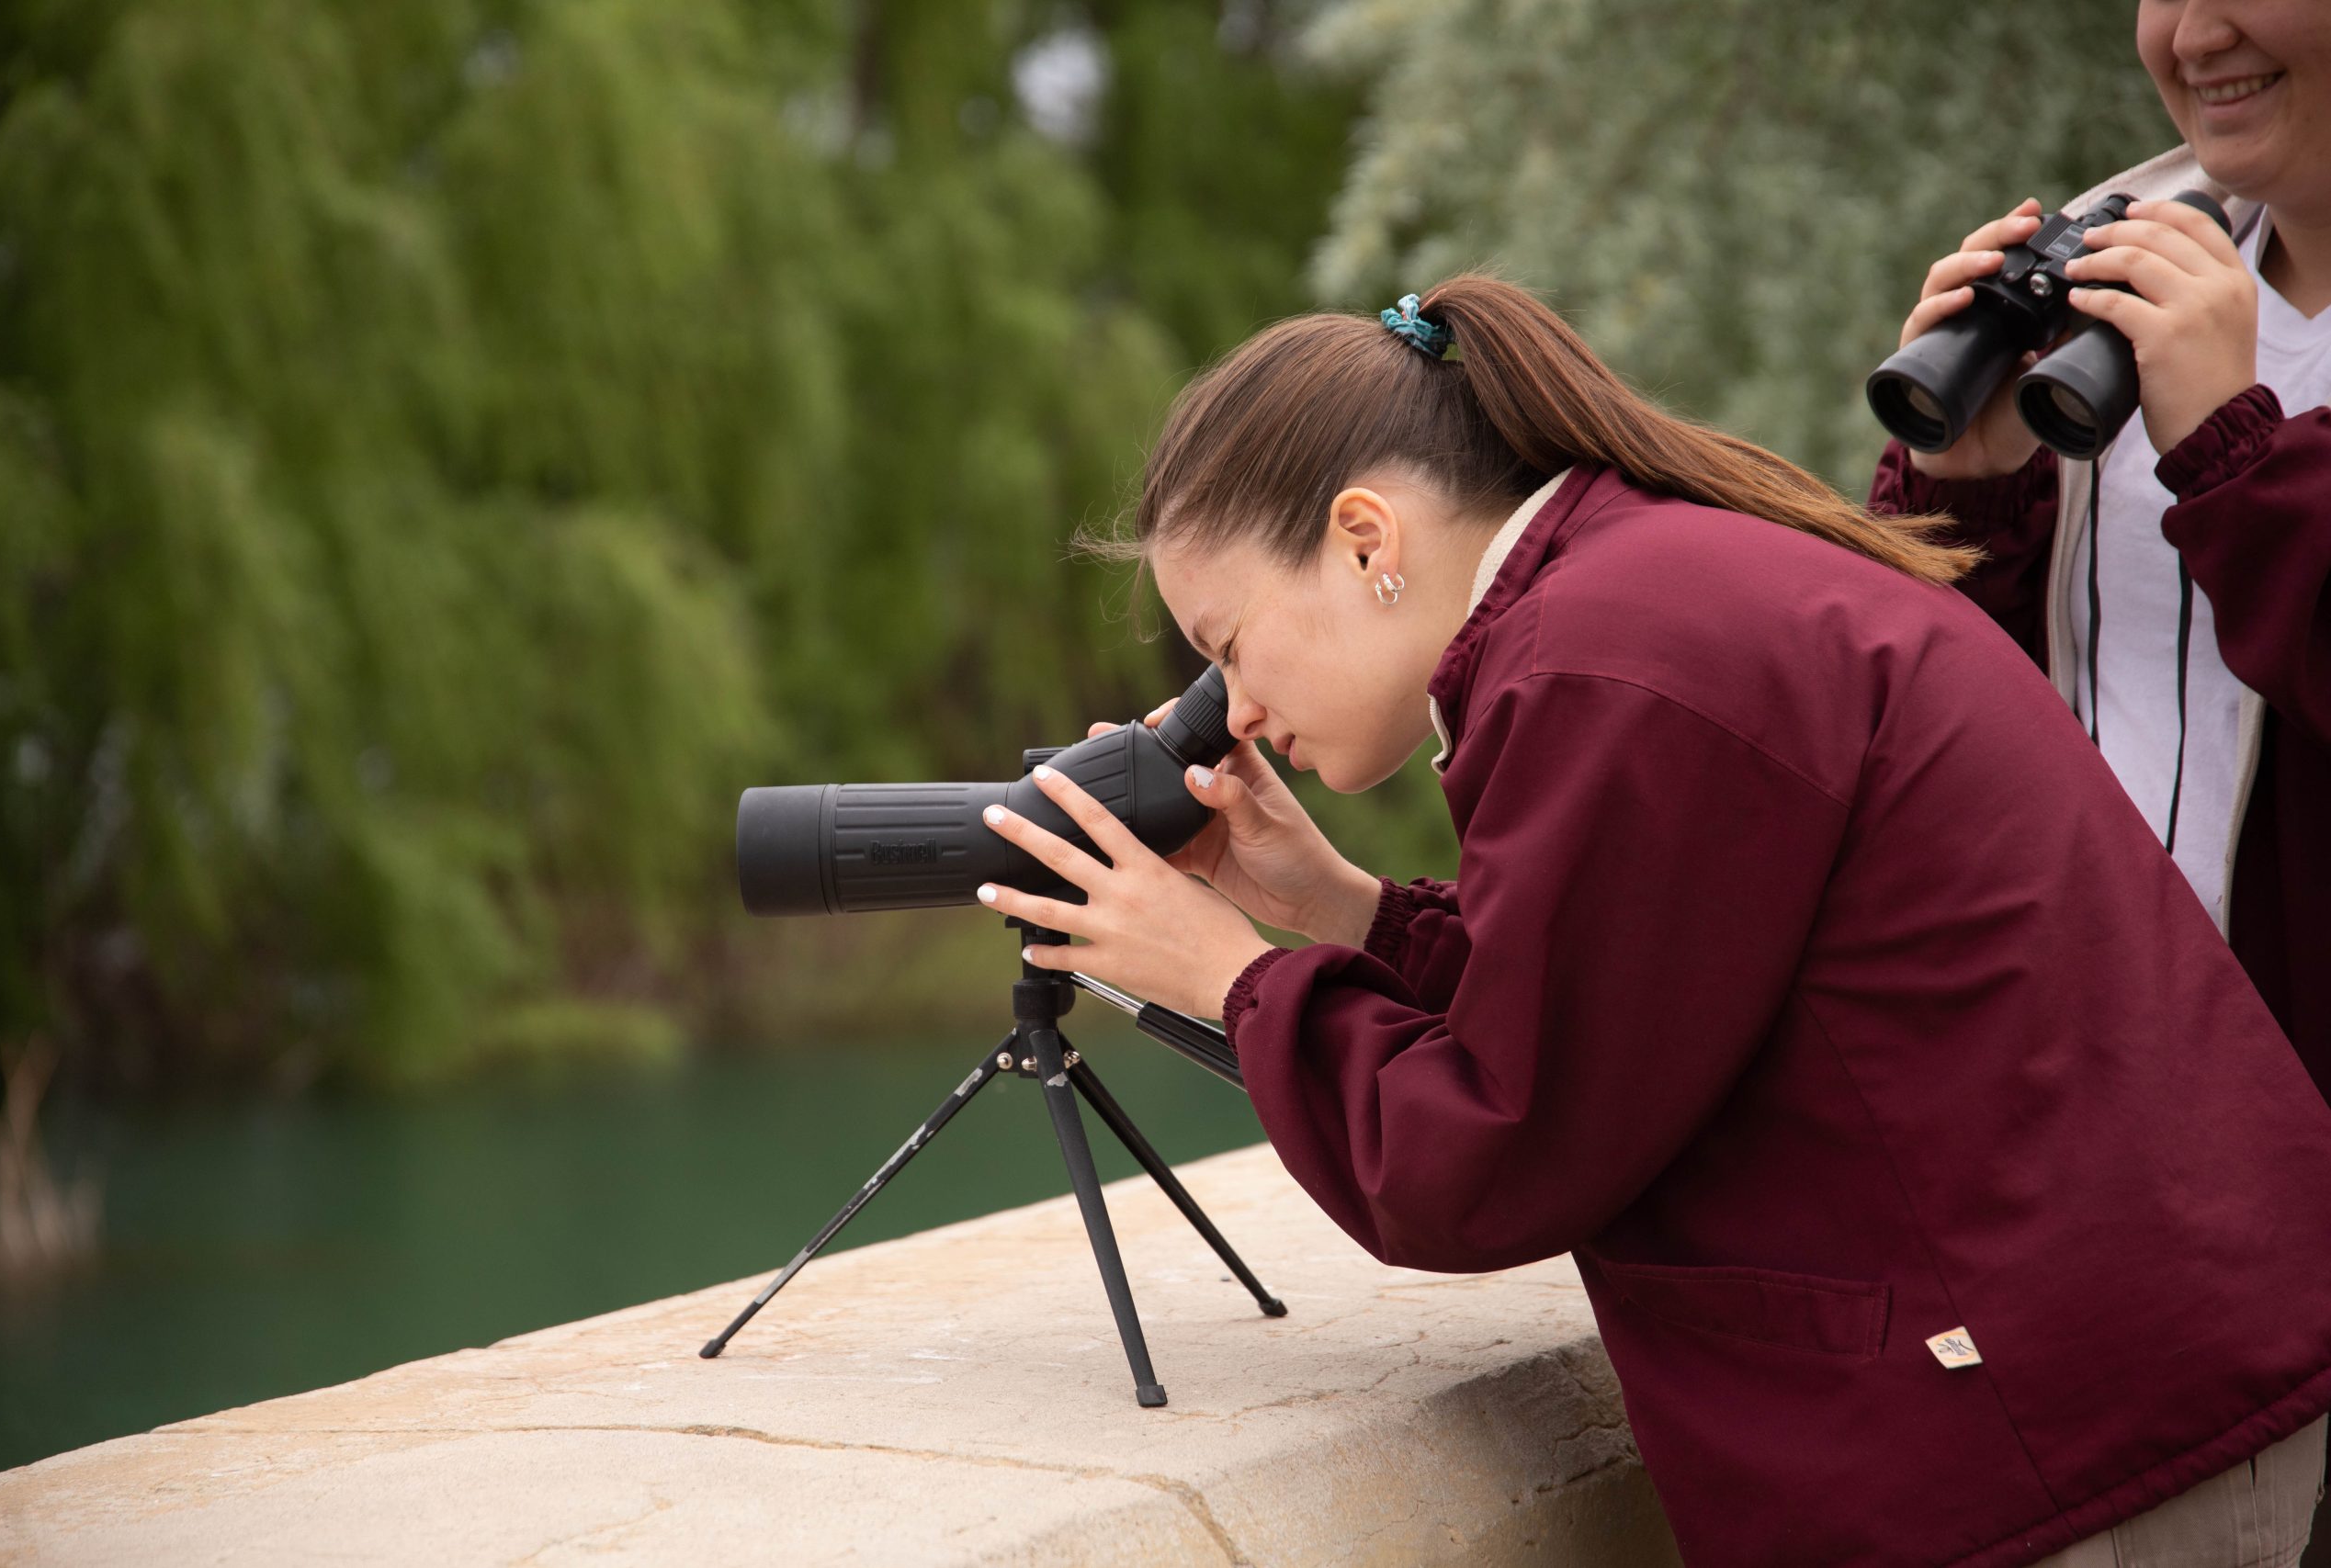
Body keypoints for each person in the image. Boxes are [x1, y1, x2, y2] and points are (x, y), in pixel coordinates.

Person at [970, 276, 2331, 1567]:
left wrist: (1232, 975)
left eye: (1225, 646)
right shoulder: (1642, 584)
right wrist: (1331, 908)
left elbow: (1497, 1148)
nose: (1234, 708)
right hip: (2118, 1378)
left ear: (1366, 537)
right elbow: (1634, 995)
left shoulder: (1606, 660)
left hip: (2067, 1443)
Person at [1870, 0, 2331, 1104]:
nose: (2193, 33)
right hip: (2090, 1098)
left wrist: (2238, 465)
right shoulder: (2127, 248)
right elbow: (1919, 754)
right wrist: (1962, 503)